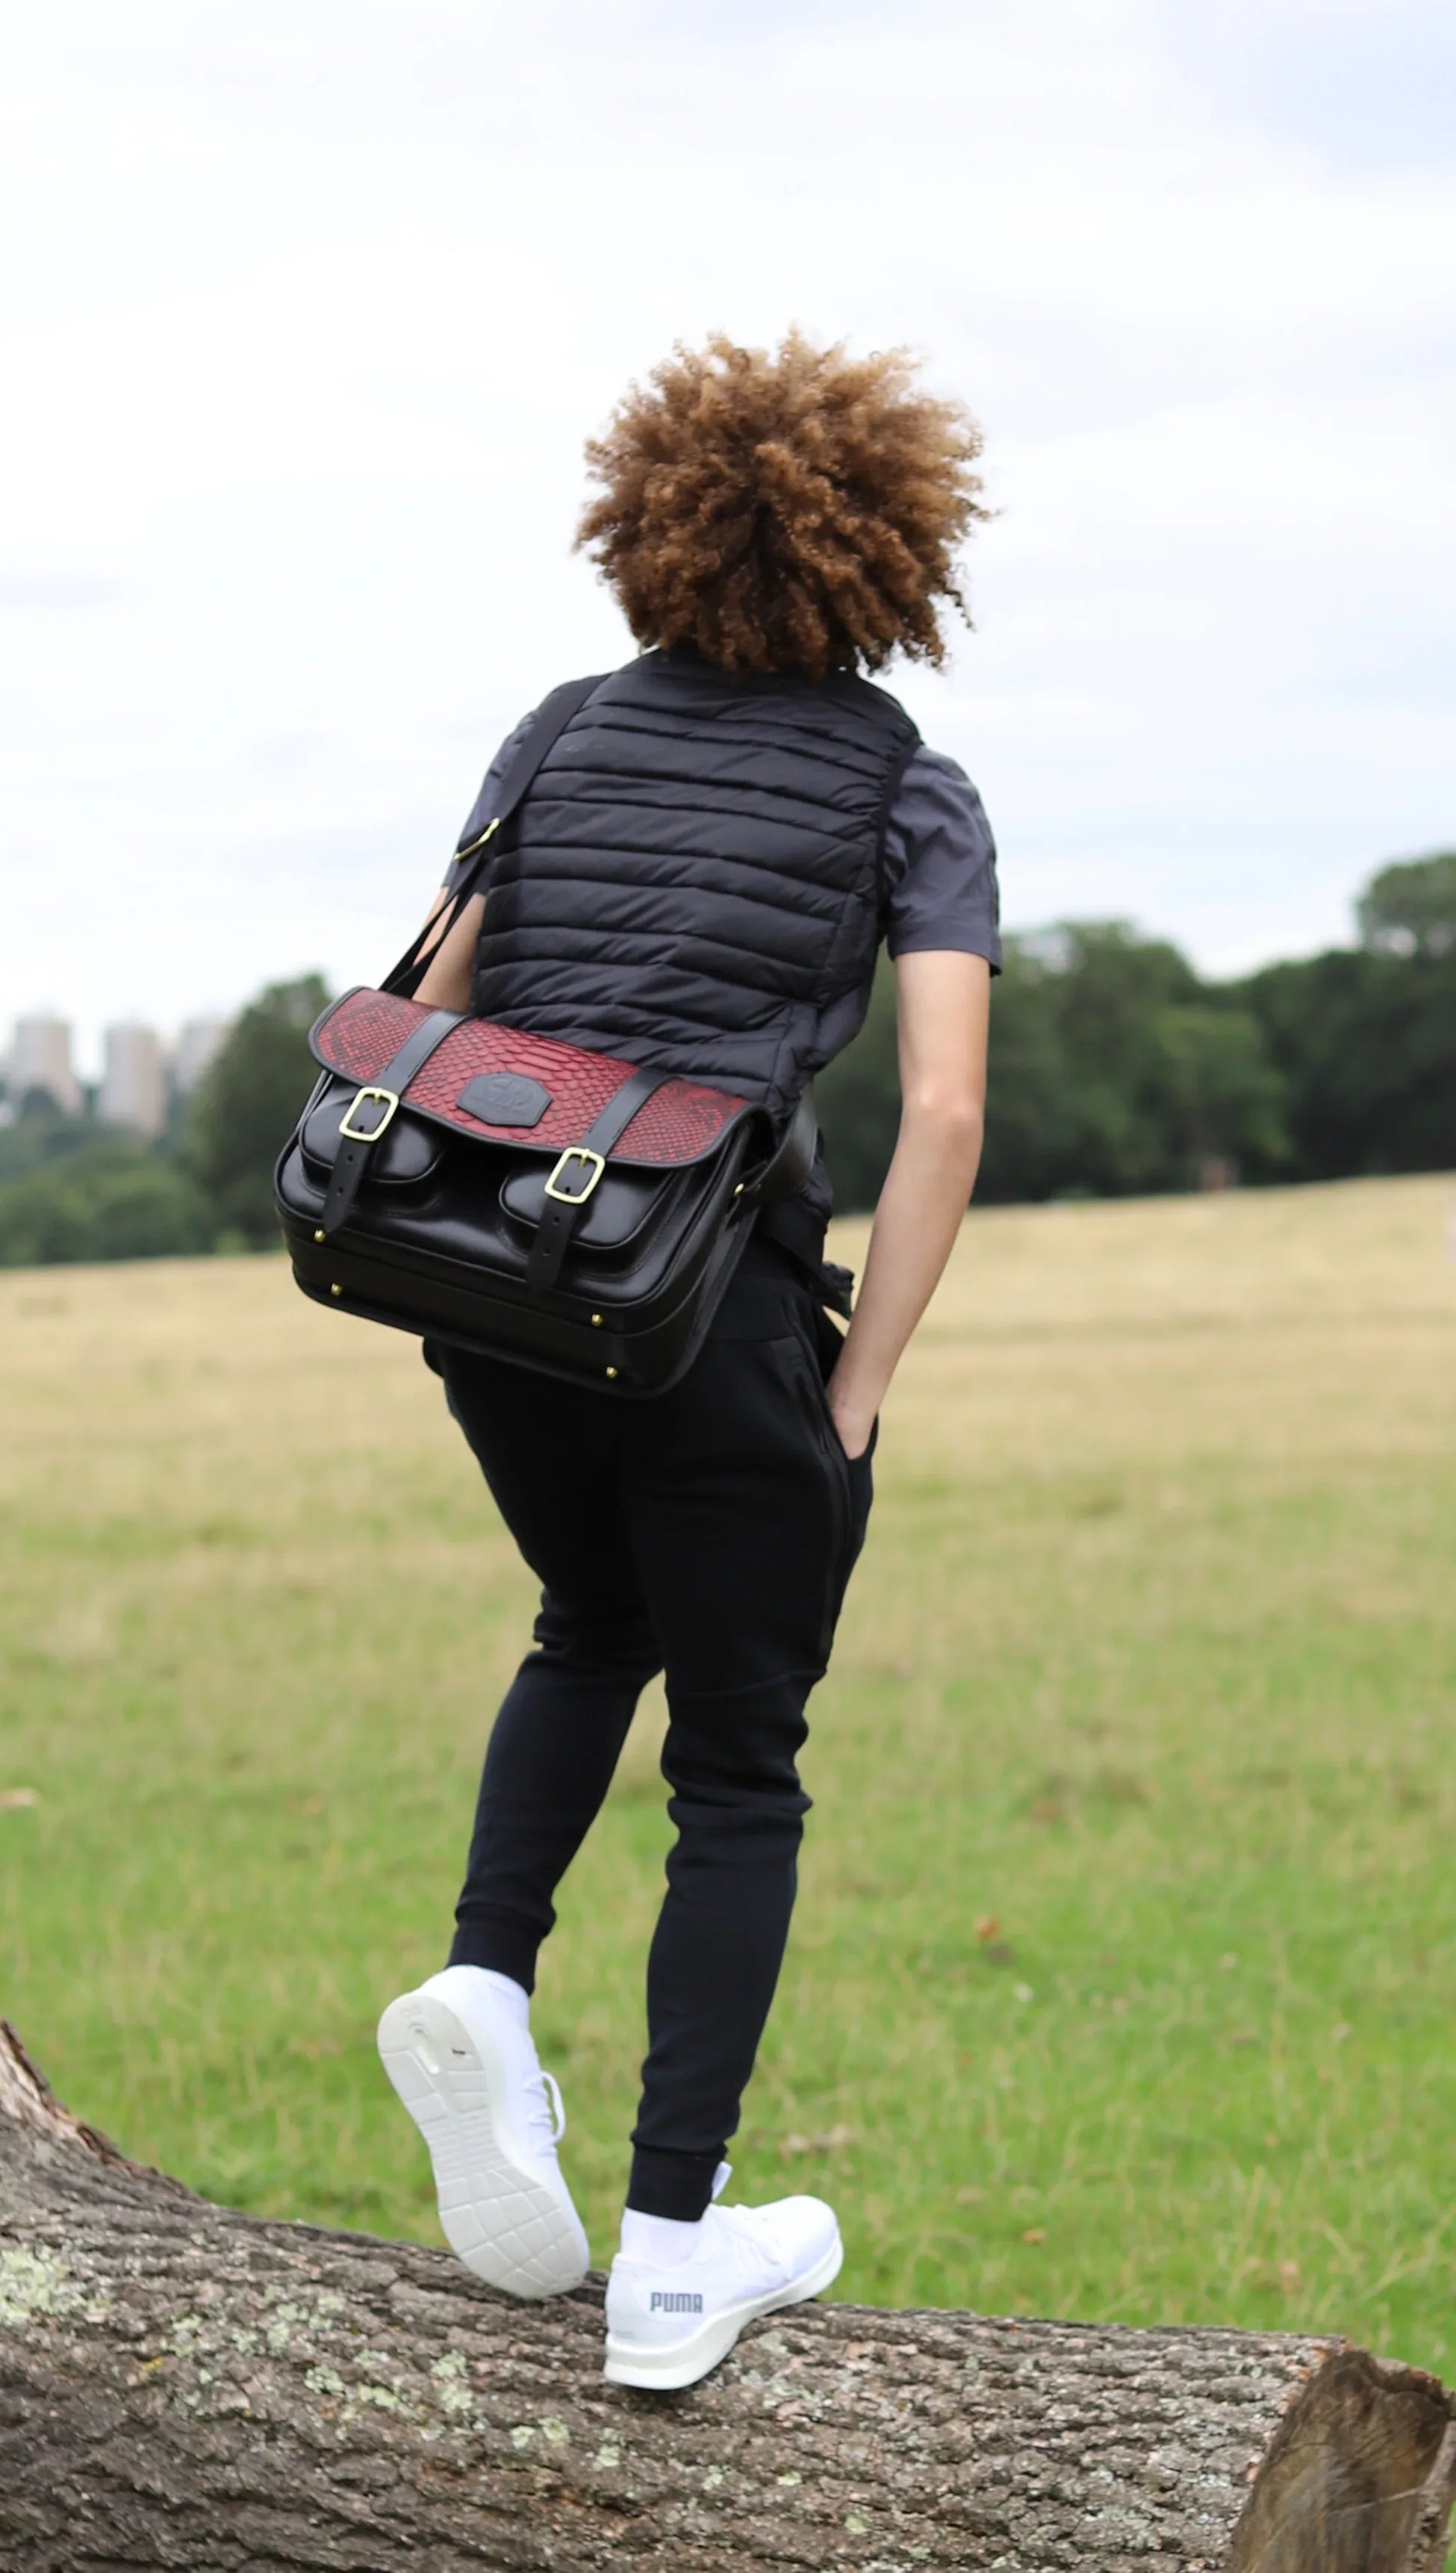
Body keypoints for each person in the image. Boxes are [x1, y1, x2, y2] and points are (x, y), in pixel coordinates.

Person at [374, 332, 996, 2391]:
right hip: (707, 1300)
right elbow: (945, 1111)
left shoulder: (559, 731)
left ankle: (484, 1976)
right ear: (891, 557)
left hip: (496, 1298)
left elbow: (436, 1020)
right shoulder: (908, 780)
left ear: (645, 534)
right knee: (741, 1767)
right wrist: (856, 1386)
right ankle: (667, 2251)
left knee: (586, 1619)